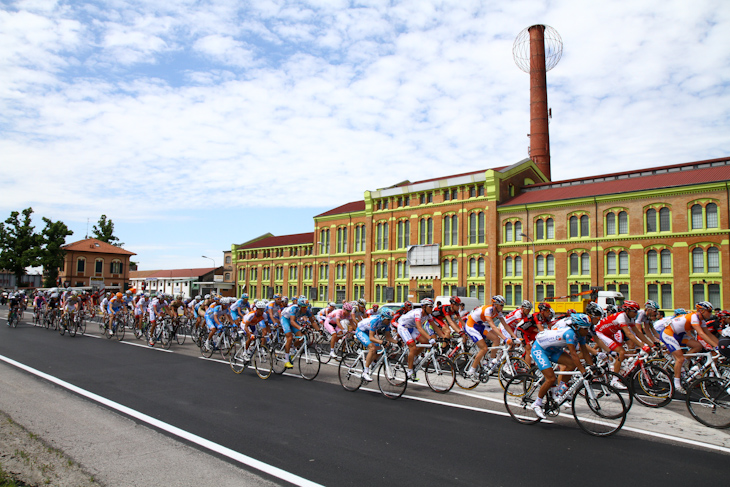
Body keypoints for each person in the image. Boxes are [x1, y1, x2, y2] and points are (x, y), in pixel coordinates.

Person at [530, 313, 596, 420]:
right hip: (540, 349)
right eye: (585, 328)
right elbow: (574, 354)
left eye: (589, 328)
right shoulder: (570, 333)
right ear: (577, 327)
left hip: (554, 350)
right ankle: (537, 403)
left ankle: (558, 390)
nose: (587, 331)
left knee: (572, 364)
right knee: (551, 379)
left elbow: (585, 352)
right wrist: (584, 372)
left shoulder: (581, 334)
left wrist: (592, 366)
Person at [659, 301, 719, 394]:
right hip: (668, 334)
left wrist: (719, 345)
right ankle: (677, 384)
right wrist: (715, 346)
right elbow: (702, 334)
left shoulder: (701, 320)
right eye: (710, 311)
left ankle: (682, 364)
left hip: (679, 335)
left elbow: (708, 334)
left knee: (697, 346)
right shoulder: (694, 317)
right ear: (702, 311)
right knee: (680, 359)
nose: (711, 313)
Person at [594, 300, 651, 382]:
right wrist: (643, 346)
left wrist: (650, 344)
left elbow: (638, 333)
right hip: (600, 333)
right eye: (635, 311)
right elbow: (628, 334)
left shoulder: (630, 318)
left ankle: (614, 368)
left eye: (637, 311)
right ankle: (614, 380)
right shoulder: (621, 317)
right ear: (627, 310)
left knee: (622, 353)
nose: (636, 313)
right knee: (621, 352)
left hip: (609, 334)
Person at [464, 296, 519, 378]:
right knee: (484, 348)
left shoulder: (498, 312)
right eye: (501, 305)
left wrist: (515, 337)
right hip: (471, 326)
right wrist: (505, 339)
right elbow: (493, 326)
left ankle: (490, 362)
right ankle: (471, 371)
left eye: (503, 305)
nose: (502, 307)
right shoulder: (488, 310)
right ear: (495, 305)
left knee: (496, 339)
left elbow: (505, 325)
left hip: (480, 325)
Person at [395, 298, 439, 381]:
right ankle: (409, 371)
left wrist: (444, 337)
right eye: (430, 306)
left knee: (425, 343)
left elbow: (435, 327)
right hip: (403, 327)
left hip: (411, 328)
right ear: (424, 307)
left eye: (432, 306)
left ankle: (414, 357)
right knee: (413, 347)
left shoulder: (428, 315)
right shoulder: (418, 313)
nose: (432, 308)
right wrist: (430, 338)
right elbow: (419, 328)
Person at [355, 307, 398, 381]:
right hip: (361, 331)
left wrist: (398, 342)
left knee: (381, 348)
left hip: (368, 332)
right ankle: (365, 372)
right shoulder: (374, 321)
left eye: (390, 319)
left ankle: (372, 362)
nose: (389, 321)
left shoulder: (386, 322)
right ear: (382, 317)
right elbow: (371, 338)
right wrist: (381, 342)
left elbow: (388, 337)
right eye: (388, 319)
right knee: (372, 348)